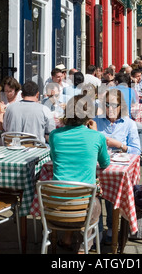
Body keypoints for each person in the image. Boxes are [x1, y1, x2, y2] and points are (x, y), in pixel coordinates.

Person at [49, 94, 111, 252]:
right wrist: (95, 133)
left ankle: (68, 238)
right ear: (90, 115)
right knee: (94, 200)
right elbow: (105, 163)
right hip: (83, 206)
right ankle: (84, 247)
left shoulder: (55, 136)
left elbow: (53, 157)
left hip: (56, 205)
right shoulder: (97, 137)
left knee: (70, 191)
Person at [94, 89, 141, 244]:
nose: (111, 108)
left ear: (121, 106)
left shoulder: (128, 123)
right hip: (99, 168)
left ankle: (112, 231)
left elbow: (137, 150)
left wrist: (119, 145)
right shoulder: (96, 121)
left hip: (118, 170)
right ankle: (97, 230)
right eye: (107, 105)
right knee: (95, 194)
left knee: (112, 194)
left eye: (114, 105)